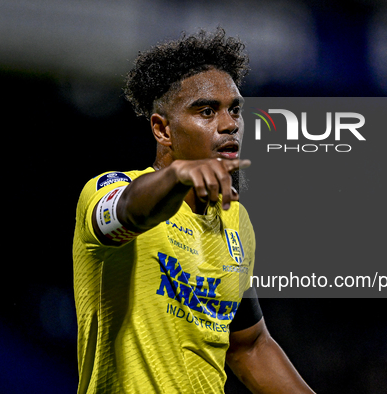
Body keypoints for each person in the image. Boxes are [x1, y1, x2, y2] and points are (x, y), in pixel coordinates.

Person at [72, 28, 315, 394]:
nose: (230, 123)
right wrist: (179, 175)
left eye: (234, 109)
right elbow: (131, 210)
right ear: (162, 129)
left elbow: (249, 345)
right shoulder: (110, 189)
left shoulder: (236, 221)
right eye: (206, 111)